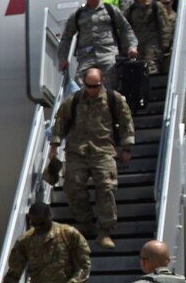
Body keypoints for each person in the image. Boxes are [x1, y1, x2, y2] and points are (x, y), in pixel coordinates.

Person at [51, 66, 134, 249]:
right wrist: (54, 145)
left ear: (102, 82)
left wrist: (126, 147)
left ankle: (104, 230)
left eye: (96, 86)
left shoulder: (114, 99)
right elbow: (60, 122)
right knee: (73, 185)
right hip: (77, 150)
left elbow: (126, 122)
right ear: (83, 83)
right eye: (89, 86)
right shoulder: (74, 100)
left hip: (103, 150)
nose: (92, 90)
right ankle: (84, 222)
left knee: (106, 187)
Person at [59, 0, 135, 88]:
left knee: (110, 85)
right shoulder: (78, 15)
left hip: (108, 54)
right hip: (86, 57)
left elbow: (126, 28)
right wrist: (63, 58)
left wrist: (132, 47)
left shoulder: (110, 10)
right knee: (80, 84)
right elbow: (66, 37)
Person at [124, 0, 173, 75]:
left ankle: (152, 85)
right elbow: (126, 28)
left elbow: (165, 26)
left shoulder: (156, 6)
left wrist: (165, 44)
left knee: (151, 64)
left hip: (153, 42)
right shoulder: (131, 10)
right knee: (140, 67)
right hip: (138, 44)